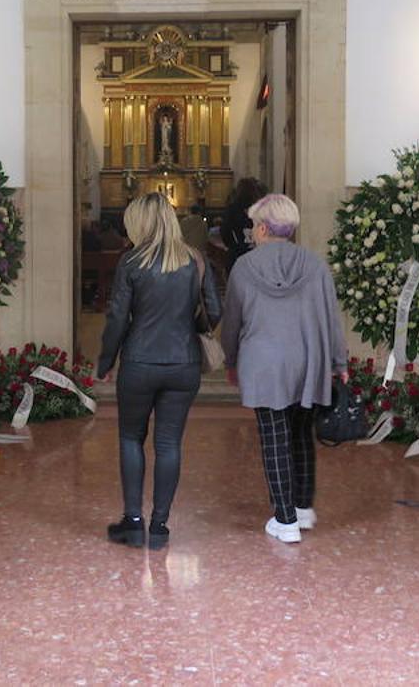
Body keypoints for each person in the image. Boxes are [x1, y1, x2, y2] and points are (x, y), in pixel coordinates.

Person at [220, 193, 348, 544]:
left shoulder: (244, 268)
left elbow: (232, 321)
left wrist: (229, 360)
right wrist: (339, 362)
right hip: (309, 359)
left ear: (262, 228)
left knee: (274, 438)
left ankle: (285, 518)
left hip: (263, 362)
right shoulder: (315, 264)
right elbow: (331, 318)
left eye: (252, 227)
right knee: (302, 435)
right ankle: (304, 509)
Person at [96, 192, 221, 550]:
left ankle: (133, 523)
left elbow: (117, 318)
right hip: (183, 363)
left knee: (130, 438)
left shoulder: (131, 262)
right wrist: (187, 323)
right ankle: (160, 527)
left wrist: (105, 362)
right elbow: (214, 309)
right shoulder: (195, 260)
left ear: (140, 222)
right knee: (169, 443)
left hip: (139, 361)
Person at [221, 177, 267, 273]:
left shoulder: (233, 209)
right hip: (256, 256)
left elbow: (225, 233)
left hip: (237, 255)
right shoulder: (260, 209)